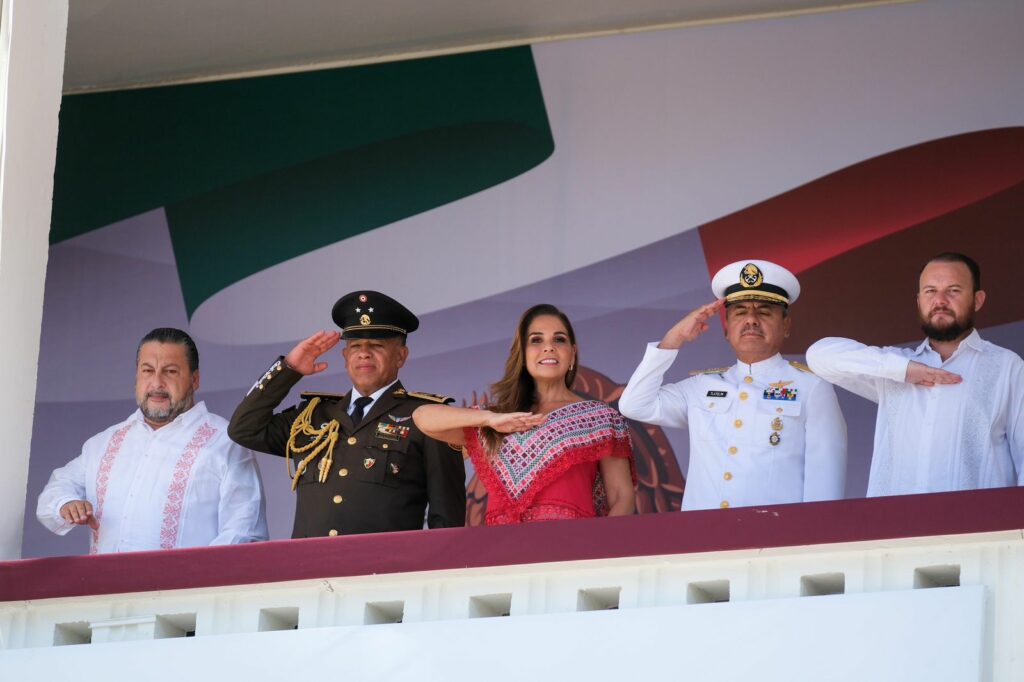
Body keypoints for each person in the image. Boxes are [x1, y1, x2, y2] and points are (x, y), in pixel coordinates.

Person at [228, 291, 466, 537]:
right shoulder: (313, 416)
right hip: (310, 571)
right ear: (345, 356)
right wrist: (288, 369)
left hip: (385, 573)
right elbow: (244, 428)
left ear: (401, 356)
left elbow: (447, 521)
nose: (364, 353)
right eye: (355, 346)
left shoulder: (427, 418)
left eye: (376, 345)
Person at [618, 260, 847, 511]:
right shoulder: (700, 387)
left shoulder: (811, 388)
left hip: (775, 541)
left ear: (786, 326)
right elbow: (634, 404)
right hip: (704, 539)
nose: (751, 320)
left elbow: (825, 482)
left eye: (764, 311)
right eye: (740, 312)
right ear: (727, 330)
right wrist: (674, 338)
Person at [807, 252, 1023, 496]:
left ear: (977, 300)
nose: (940, 300)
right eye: (930, 291)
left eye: (953, 290)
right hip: (894, 527)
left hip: (977, 528)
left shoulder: (1006, 366)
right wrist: (905, 371)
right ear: (919, 300)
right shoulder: (894, 364)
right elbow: (819, 356)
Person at [37, 328, 268, 553]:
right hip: (106, 589)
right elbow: (57, 488)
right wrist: (66, 504)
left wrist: (194, 581)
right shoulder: (104, 444)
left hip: (184, 589)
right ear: (137, 375)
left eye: (170, 372)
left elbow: (244, 533)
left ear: (194, 379)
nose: (157, 383)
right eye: (148, 371)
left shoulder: (224, 442)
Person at [413, 304, 635, 524]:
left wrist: (594, 551)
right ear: (523, 354)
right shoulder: (500, 417)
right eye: (536, 340)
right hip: (506, 550)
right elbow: (423, 417)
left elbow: (621, 498)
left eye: (559, 339)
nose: (548, 347)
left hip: (573, 548)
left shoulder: (601, 418)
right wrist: (490, 419)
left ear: (572, 353)